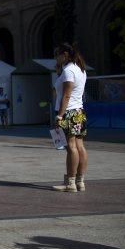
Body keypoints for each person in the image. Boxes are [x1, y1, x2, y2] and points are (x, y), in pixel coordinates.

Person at [52, 43, 89, 192]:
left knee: (71, 148)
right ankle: (80, 181)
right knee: (80, 147)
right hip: (79, 111)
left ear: (65, 54)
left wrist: (60, 115)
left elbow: (66, 95)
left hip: (68, 112)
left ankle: (70, 183)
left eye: (57, 55)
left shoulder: (68, 70)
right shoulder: (80, 69)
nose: (56, 58)